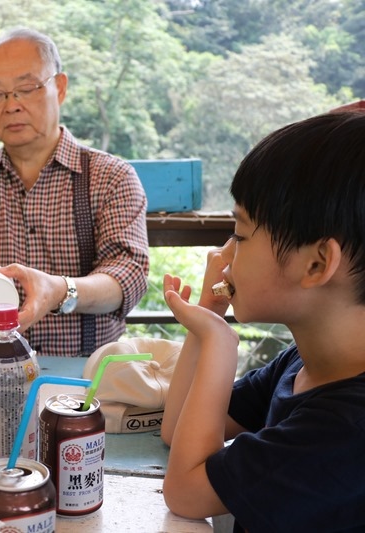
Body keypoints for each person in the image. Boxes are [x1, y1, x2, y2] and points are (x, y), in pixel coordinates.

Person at [160, 111, 365, 531]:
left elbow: (186, 492)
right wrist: (208, 319)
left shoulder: (347, 428)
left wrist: (219, 343)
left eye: (240, 234)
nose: (223, 256)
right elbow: (177, 427)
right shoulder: (301, 364)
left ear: (316, 263)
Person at [0, 27, 149, 357]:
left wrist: (60, 290)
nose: (12, 105)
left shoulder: (111, 177)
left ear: (59, 88)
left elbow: (128, 275)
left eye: (26, 88)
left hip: (88, 377)